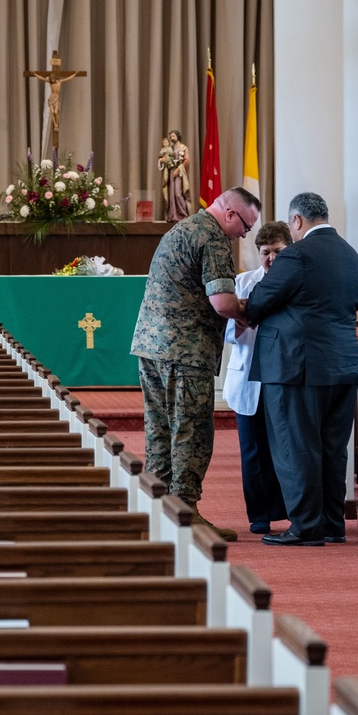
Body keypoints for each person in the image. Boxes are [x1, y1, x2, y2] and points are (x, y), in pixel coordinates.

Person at [131, 187, 261, 542]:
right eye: (246, 227)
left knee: (159, 428)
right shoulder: (214, 238)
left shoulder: (183, 228)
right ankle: (184, 511)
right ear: (231, 215)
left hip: (150, 346)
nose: (245, 235)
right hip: (185, 350)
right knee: (191, 429)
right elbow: (221, 302)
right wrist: (248, 312)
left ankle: (156, 508)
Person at [245, 191, 358, 547]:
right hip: (342, 364)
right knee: (332, 448)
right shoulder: (349, 253)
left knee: (295, 446)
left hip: (296, 366)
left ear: (296, 221)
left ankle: (305, 527)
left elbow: (262, 300)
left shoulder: (297, 254)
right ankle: (331, 524)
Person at [222, 221, 292, 534]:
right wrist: (244, 319)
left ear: (288, 250)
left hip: (283, 376)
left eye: (277, 252)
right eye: (266, 253)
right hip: (248, 376)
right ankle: (259, 515)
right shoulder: (243, 282)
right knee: (252, 450)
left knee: (285, 447)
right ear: (258, 253)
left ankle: (288, 509)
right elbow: (226, 333)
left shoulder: (295, 284)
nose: (271, 259)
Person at [158, 129, 190, 221]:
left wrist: (179, 168)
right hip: (171, 172)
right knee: (171, 194)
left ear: (178, 136)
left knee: (178, 193)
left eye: (173, 136)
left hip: (179, 173)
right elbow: (165, 158)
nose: (172, 138)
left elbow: (186, 160)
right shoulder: (170, 148)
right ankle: (172, 215)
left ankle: (183, 215)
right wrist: (163, 161)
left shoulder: (184, 148)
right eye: (170, 137)